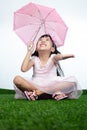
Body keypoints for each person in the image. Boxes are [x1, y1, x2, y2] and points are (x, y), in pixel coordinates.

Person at [13, 34, 82, 101]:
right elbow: (23, 69)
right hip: (36, 84)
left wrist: (66, 56)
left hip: (52, 85)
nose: (43, 41)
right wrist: (29, 52)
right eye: (40, 40)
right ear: (36, 48)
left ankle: (38, 93)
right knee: (17, 79)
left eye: (47, 40)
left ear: (52, 49)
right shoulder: (34, 59)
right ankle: (49, 94)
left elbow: (60, 57)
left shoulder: (53, 57)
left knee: (73, 82)